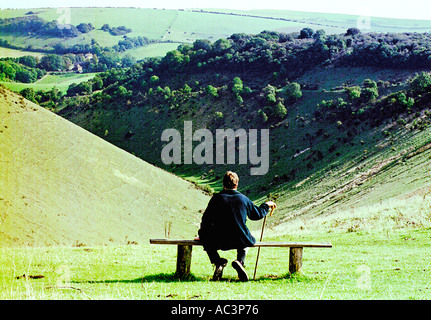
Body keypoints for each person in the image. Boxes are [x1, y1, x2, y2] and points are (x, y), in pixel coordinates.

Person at [196, 171, 276, 281]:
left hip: (219, 240)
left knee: (206, 241)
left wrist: (202, 235)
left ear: (223, 184)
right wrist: (266, 205)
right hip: (239, 239)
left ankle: (218, 262)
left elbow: (206, 221)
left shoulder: (216, 199)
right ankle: (240, 262)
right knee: (247, 240)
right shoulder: (243, 199)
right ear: (237, 184)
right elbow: (256, 215)